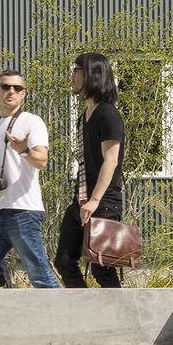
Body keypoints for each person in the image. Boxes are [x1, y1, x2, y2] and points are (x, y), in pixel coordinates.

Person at [0, 67, 60, 289]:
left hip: (23, 211)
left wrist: (23, 150)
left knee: (38, 271)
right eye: (6, 87)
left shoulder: (31, 121)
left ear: (23, 94)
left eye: (17, 88)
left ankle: (63, 319)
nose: (11, 91)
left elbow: (42, 161)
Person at [54, 52, 125, 289]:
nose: (72, 75)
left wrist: (95, 200)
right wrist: (84, 201)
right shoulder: (84, 117)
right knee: (64, 261)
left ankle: (120, 320)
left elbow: (111, 160)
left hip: (103, 203)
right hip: (82, 202)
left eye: (77, 70)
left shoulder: (108, 114)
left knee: (101, 267)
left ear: (92, 74)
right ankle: (86, 313)